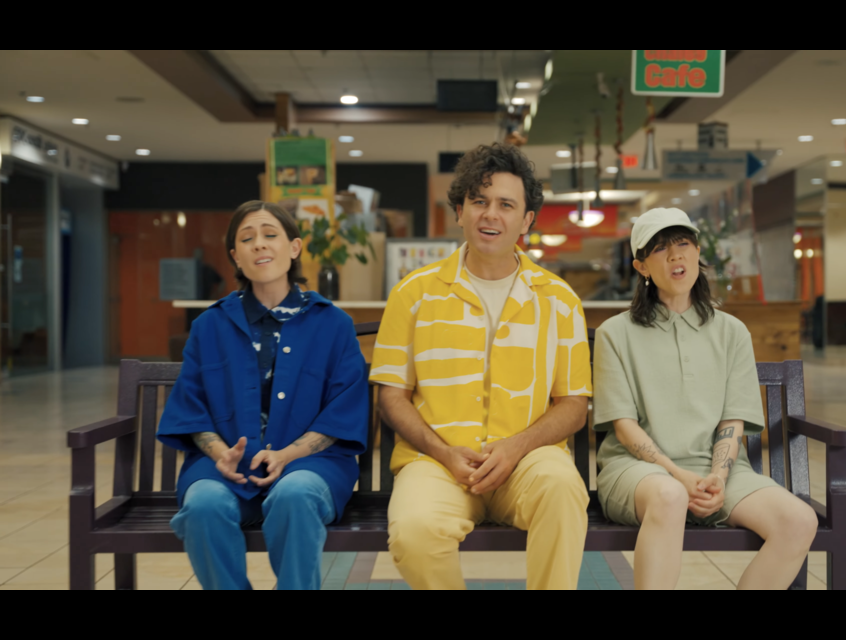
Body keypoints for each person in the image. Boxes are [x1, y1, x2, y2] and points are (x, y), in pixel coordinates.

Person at [370, 143, 592, 590]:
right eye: (479, 201)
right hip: (436, 463)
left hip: (529, 461)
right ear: (460, 211)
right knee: (414, 531)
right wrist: (444, 453)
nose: (490, 214)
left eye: (506, 205)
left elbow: (573, 403)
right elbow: (391, 396)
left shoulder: (559, 299)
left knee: (564, 491)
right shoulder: (413, 294)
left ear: (527, 220)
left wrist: (515, 448)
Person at [593, 208, 818, 590]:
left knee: (799, 521)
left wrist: (717, 476)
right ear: (642, 266)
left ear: (698, 253)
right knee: (668, 495)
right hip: (638, 472)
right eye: (661, 249)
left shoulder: (732, 332)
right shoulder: (616, 333)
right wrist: (678, 476)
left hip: (719, 472)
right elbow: (624, 427)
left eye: (683, 244)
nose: (676, 255)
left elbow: (732, 421)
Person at [157, 200, 368, 590]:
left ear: (294, 247)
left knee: (295, 495)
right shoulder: (210, 326)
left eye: (270, 235)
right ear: (236, 256)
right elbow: (190, 406)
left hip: (311, 465)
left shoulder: (334, 324)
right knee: (203, 504)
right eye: (247, 239)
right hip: (225, 466)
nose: (259, 245)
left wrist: (289, 454)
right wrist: (222, 454)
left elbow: (345, 408)